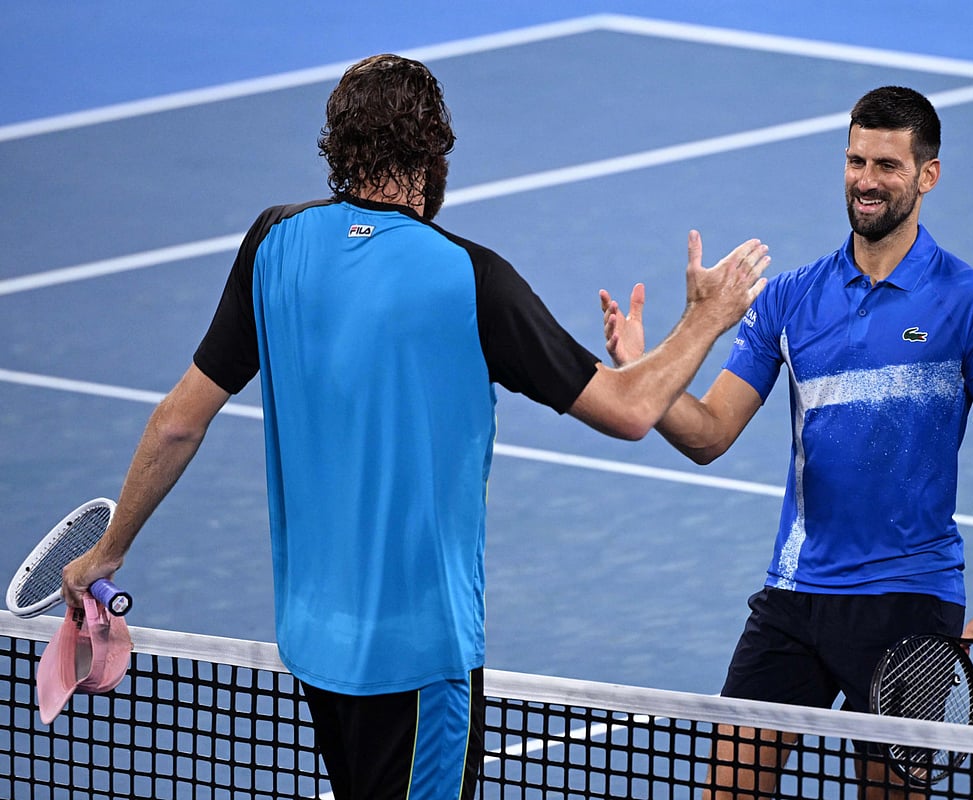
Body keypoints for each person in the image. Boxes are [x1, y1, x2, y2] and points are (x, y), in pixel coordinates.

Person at [61, 54, 770, 800]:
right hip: (420, 659)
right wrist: (706, 318)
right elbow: (628, 410)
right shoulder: (469, 278)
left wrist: (106, 554)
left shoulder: (272, 244)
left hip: (314, 648)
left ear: (337, 147)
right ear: (435, 152)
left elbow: (177, 423)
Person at [600, 85, 973, 797]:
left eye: (888, 166)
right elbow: (708, 434)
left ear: (928, 175)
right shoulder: (788, 299)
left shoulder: (972, 302)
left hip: (910, 600)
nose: (866, 180)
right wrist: (648, 378)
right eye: (856, 160)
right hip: (795, 595)